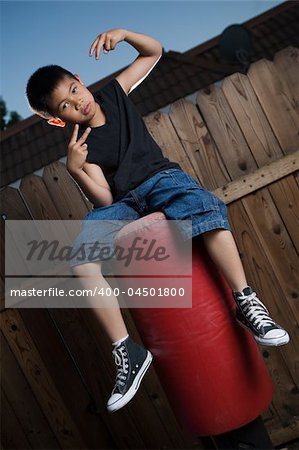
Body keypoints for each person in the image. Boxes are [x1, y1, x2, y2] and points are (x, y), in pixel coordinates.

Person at [26, 28, 290, 413]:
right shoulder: (80, 145)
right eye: (64, 106)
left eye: (74, 90)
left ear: (81, 81)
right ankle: (127, 351)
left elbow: (153, 54)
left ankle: (246, 301)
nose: (76, 103)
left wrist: (125, 33)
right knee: (82, 257)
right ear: (55, 120)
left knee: (203, 208)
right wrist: (77, 171)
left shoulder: (114, 94)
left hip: (159, 179)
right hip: (125, 202)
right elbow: (106, 199)